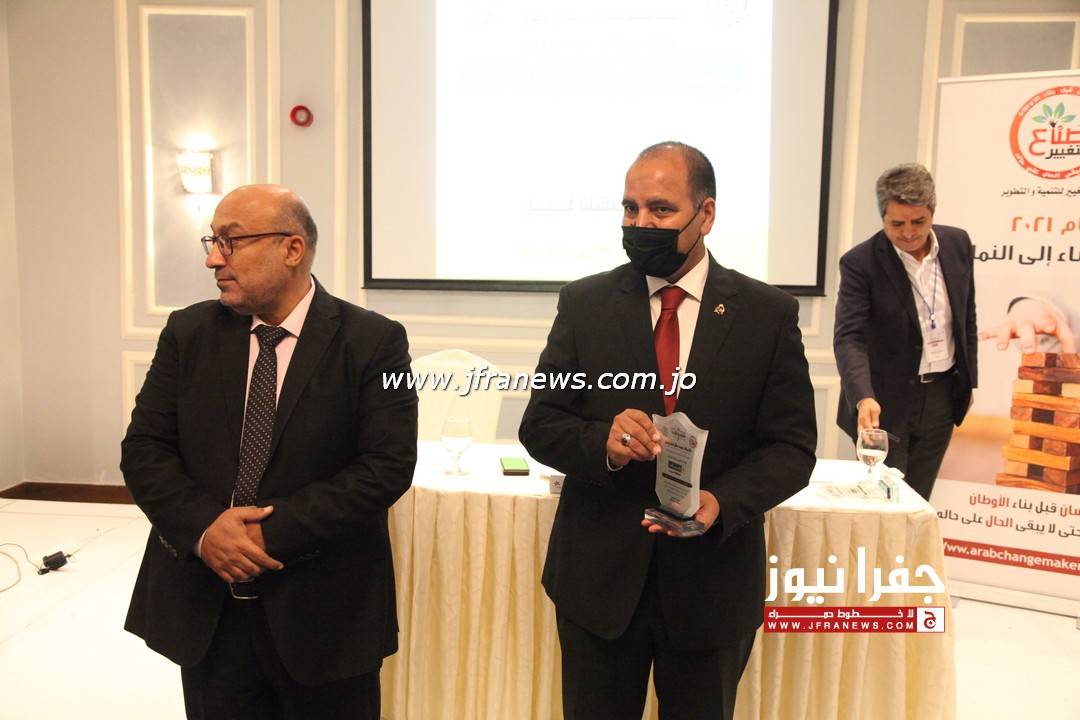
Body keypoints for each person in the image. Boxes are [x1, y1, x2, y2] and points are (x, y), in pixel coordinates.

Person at [519, 142, 817, 720]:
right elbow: (541, 422)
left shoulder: (766, 314)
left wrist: (721, 502)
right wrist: (602, 443)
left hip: (711, 586)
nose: (640, 223)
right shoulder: (584, 304)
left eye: (660, 209)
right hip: (599, 583)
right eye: (629, 208)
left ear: (706, 214)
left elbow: (792, 448)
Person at [121, 184, 418, 719]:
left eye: (231, 242)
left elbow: (385, 467)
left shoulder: (373, 341)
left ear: (292, 248)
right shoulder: (188, 332)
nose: (214, 259)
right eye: (213, 242)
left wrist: (263, 535)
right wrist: (207, 530)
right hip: (208, 611)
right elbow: (144, 448)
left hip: (325, 617)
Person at [834, 163, 977, 500]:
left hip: (941, 395)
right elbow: (850, 337)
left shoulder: (958, 244)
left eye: (919, 222)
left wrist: (968, 380)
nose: (909, 233)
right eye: (897, 224)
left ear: (932, 213)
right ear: (882, 217)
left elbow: (966, 315)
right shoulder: (861, 263)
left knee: (918, 502)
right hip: (883, 402)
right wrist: (863, 395)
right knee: (885, 504)